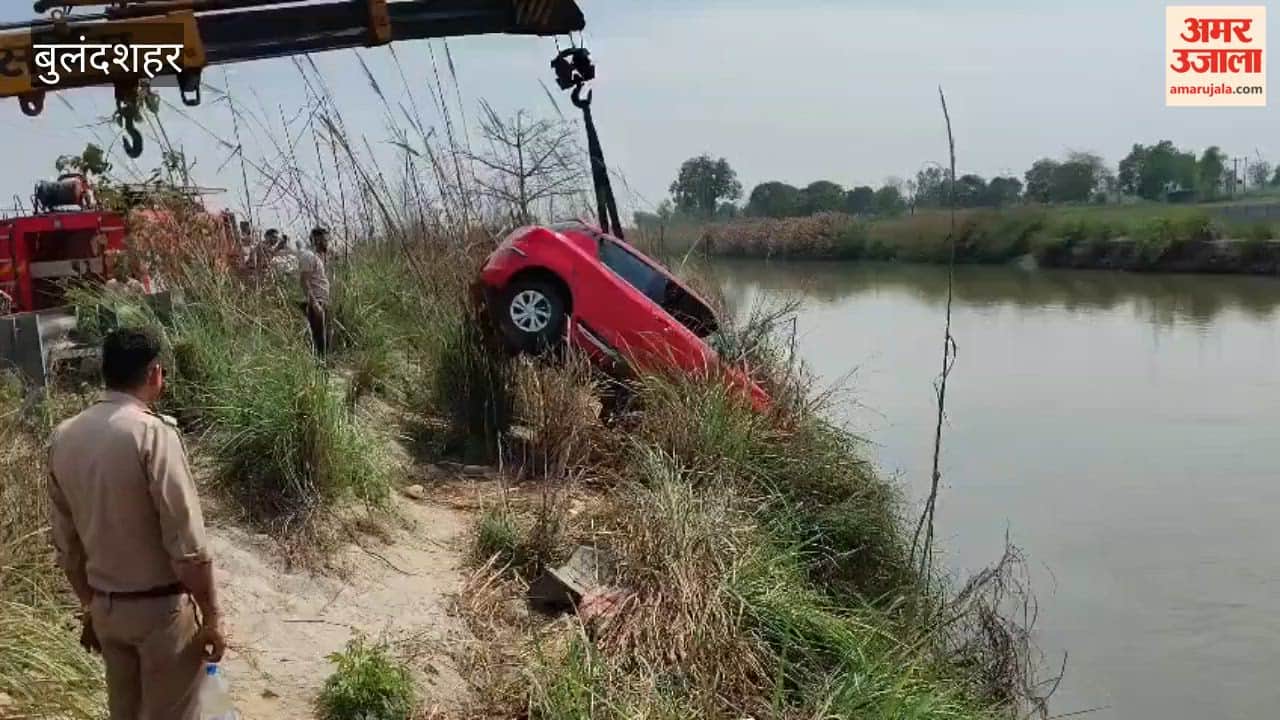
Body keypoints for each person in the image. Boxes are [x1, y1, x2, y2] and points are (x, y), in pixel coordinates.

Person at [48, 327, 226, 720]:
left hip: (109, 612)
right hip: (159, 613)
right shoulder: (152, 434)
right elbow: (187, 545)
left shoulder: (64, 437)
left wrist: (91, 607)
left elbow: (67, 546)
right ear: (155, 373)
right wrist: (212, 615)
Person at [298, 226, 331, 357]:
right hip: (315, 302)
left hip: (321, 301)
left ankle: (323, 365)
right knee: (318, 339)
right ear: (317, 239)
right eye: (325, 240)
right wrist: (315, 304)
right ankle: (320, 368)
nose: (327, 243)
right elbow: (304, 281)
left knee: (323, 337)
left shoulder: (316, 257)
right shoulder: (308, 256)